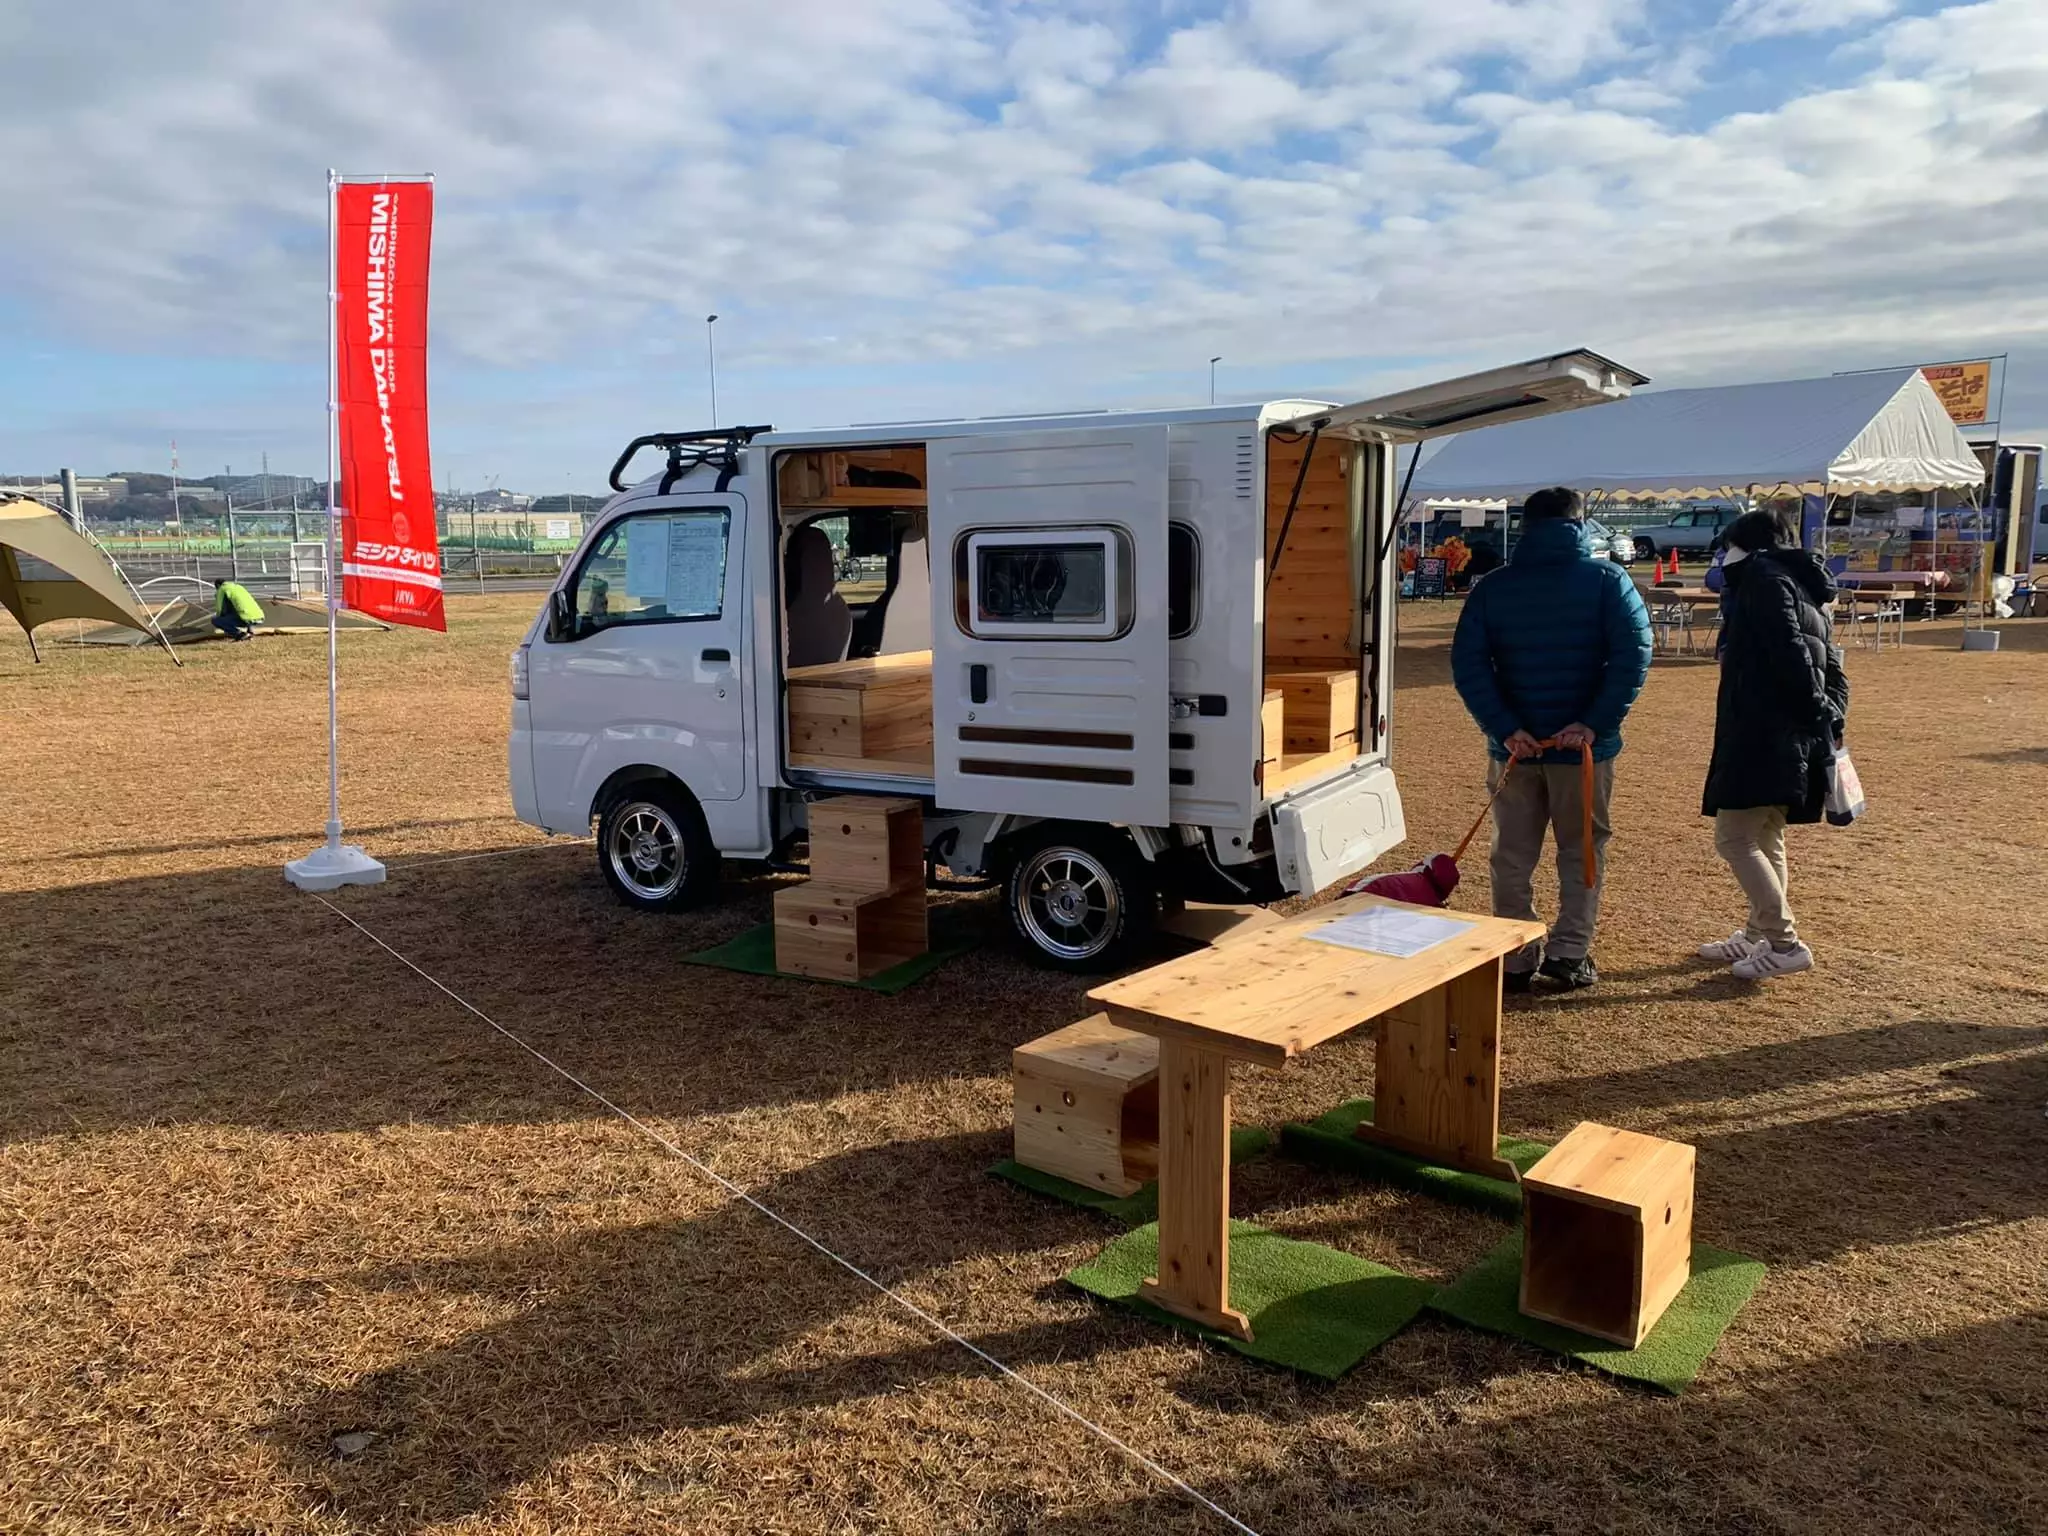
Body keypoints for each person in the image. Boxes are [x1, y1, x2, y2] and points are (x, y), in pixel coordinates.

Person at [1451, 485, 1652, 990]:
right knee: (1581, 849)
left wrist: (1504, 726)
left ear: (1526, 525)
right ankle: (1568, 952)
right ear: (1580, 523)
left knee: (1511, 853)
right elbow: (1633, 655)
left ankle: (1516, 955)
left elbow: (1470, 664)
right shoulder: (1608, 580)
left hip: (1516, 748)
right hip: (1582, 748)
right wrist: (1593, 722)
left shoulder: (1494, 586)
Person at [1698, 510, 1848, 980]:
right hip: (1789, 733)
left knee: (1736, 837)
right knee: (1767, 836)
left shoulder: (1764, 580)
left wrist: (1815, 708)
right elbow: (1830, 661)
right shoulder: (1803, 583)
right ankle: (1759, 933)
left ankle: (1784, 941)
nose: (1724, 557)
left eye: (1728, 546)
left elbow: (1791, 652)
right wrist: (1828, 713)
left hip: (1763, 732)